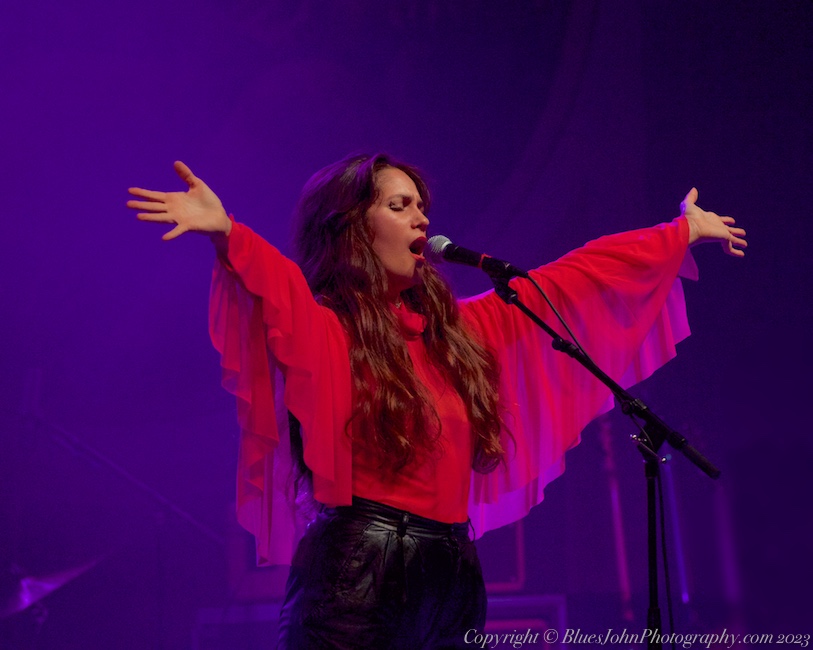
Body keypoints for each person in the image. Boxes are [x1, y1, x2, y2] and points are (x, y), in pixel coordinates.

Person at [127, 154, 746, 649]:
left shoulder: (459, 334)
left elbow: (569, 283)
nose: (421, 220)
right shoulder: (329, 330)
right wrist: (228, 233)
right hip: (359, 572)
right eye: (399, 206)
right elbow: (281, 290)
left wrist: (680, 233)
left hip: (452, 572)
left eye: (422, 207)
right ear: (352, 229)